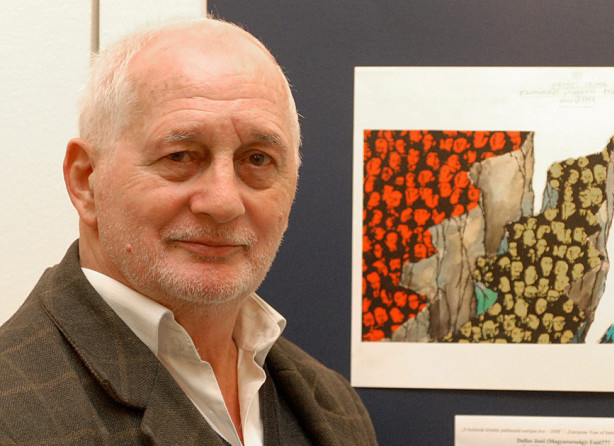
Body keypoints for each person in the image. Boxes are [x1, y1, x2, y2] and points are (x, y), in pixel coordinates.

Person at [0, 17, 377, 445]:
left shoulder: (334, 407)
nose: (223, 202)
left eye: (257, 159)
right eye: (180, 156)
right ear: (86, 180)